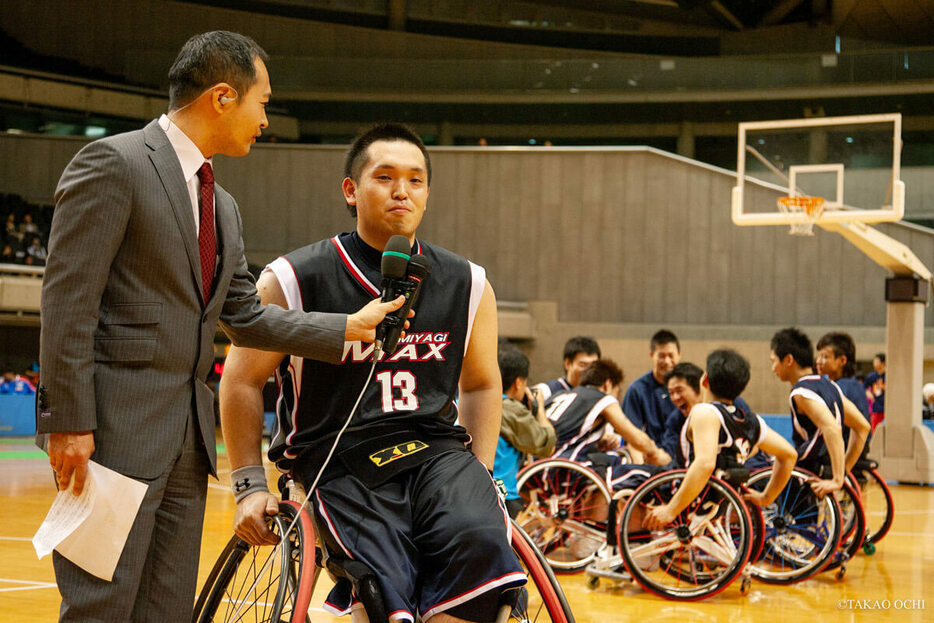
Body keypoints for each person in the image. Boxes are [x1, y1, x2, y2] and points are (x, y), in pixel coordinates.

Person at [37, 32, 404, 623]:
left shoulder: (223, 206)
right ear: (223, 97)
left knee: (168, 611)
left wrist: (346, 328)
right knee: (99, 608)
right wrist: (68, 423)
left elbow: (246, 315)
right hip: (109, 436)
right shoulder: (114, 162)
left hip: (188, 448)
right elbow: (66, 303)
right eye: (263, 102)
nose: (266, 118)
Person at [220, 122, 525, 622]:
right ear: (351, 190)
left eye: (415, 180)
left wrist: (483, 473)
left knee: (479, 535)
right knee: (385, 576)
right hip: (335, 460)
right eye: (384, 177)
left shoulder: (468, 282)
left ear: (427, 192)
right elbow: (241, 380)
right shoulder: (295, 278)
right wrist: (249, 485)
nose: (402, 190)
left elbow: (482, 384)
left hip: (436, 454)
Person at [642, 349, 798, 530]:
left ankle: (623, 550)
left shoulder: (705, 412)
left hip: (684, 494)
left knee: (620, 477)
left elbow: (705, 464)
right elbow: (789, 455)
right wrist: (766, 497)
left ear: (704, 379)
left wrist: (671, 510)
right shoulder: (751, 420)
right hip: (722, 500)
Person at [769, 328, 870, 497]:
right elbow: (863, 427)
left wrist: (838, 478)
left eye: (773, 361)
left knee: (757, 465)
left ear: (788, 360)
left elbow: (832, 428)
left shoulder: (802, 392)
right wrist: (843, 469)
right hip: (819, 464)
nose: (773, 368)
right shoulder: (831, 386)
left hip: (807, 465)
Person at [547, 359, 670, 488]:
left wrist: (597, 444)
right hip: (562, 469)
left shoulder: (561, 395)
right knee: (649, 474)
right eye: (617, 391)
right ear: (608, 384)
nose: (616, 397)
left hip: (535, 470)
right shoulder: (601, 398)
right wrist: (658, 454)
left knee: (610, 461)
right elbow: (636, 438)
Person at [496, 345, 556, 518]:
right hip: (503, 495)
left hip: (471, 490)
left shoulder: (462, 401)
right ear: (518, 382)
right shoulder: (512, 410)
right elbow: (547, 446)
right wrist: (540, 410)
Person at [622, 329, 681, 445]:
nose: (667, 361)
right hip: (649, 456)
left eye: (671, 355)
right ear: (651, 355)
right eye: (661, 356)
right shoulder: (636, 390)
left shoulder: (687, 388)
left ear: (679, 355)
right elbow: (630, 435)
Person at [533, 335, 601, 400]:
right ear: (567, 364)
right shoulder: (548, 390)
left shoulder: (596, 393)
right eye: (583, 365)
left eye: (593, 365)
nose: (588, 370)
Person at [864, 353, 886, 432]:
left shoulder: (889, 376)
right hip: (876, 409)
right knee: (875, 431)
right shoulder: (872, 376)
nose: (874, 364)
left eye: (877, 361)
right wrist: (868, 393)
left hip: (887, 409)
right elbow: (864, 387)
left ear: (883, 363)